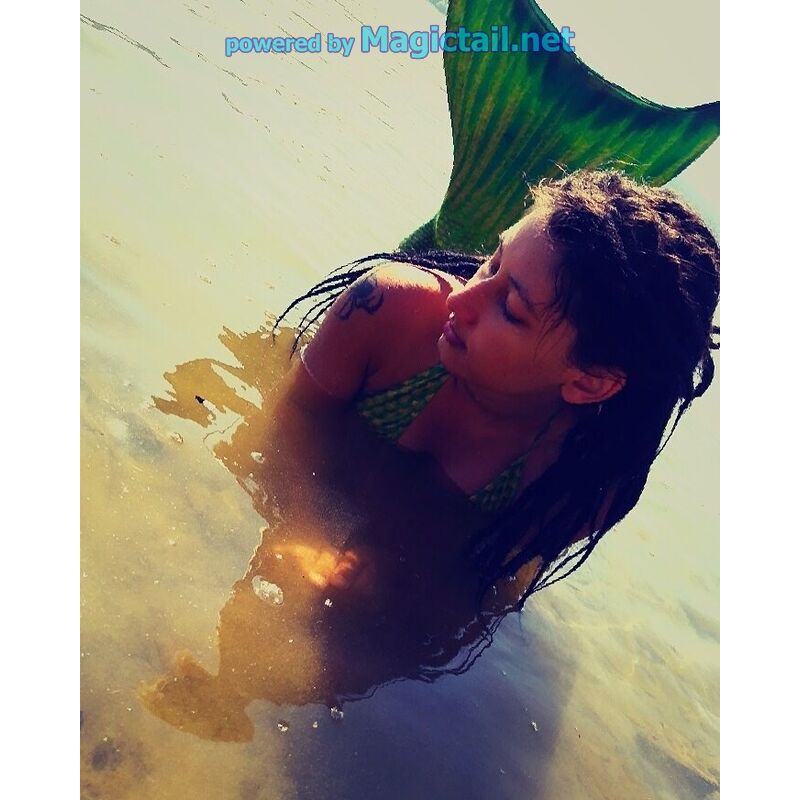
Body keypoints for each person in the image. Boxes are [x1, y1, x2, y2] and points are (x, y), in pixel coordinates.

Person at [275, 168, 720, 609]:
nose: (461, 299)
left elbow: (476, 578)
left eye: (509, 309)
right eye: (493, 261)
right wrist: (300, 531)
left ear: (588, 382)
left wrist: (392, 573)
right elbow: (286, 432)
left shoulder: (579, 481)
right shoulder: (388, 310)